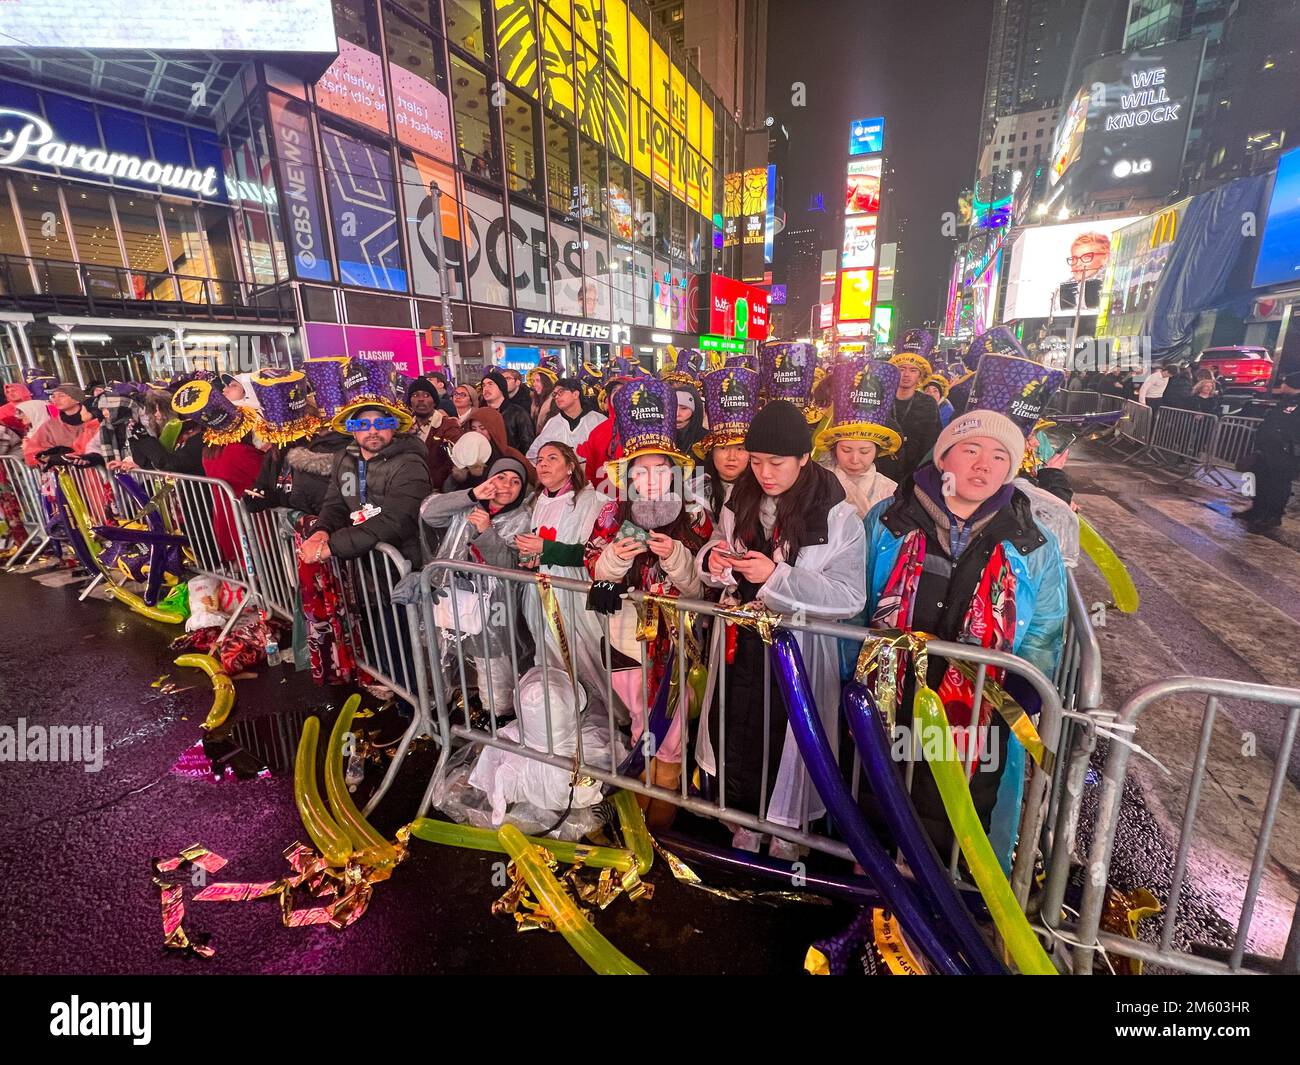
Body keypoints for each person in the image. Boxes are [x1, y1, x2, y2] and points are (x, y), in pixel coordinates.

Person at [860, 354, 1067, 858]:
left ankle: (941, 906)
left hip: (982, 714)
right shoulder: (888, 521)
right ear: (943, 457)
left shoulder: (1032, 543)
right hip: (888, 697)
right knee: (878, 795)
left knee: (957, 817)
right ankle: (874, 898)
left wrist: (1019, 697)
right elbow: (856, 605)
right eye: (970, 448)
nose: (983, 465)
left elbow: (1045, 632)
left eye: (1000, 456)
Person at [697, 400, 867, 854]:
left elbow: (850, 597)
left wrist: (775, 578)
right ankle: (745, 819)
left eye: (776, 462)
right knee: (740, 727)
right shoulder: (740, 500)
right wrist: (715, 562)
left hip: (800, 649)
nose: (764, 472)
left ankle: (790, 833)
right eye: (756, 461)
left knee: (791, 733)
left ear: (805, 458)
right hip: (743, 643)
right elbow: (721, 546)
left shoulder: (838, 517)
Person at [585, 378, 711, 823]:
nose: (651, 479)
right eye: (641, 470)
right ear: (628, 475)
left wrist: (677, 557)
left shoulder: (695, 514)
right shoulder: (611, 513)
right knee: (637, 709)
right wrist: (614, 561)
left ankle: (666, 806)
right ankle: (641, 794)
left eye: (660, 469)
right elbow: (592, 570)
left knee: (672, 718)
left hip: (675, 634)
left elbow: (702, 588)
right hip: (623, 630)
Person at [421, 456, 534, 717]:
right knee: (454, 654)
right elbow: (429, 513)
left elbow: (508, 566)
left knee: (493, 663)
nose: (507, 485)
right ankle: (458, 708)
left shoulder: (521, 520)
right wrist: (472, 494)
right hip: (459, 598)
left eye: (515, 481)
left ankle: (499, 716)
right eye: (500, 477)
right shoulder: (467, 506)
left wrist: (486, 532)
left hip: (496, 607)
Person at [300, 360, 431, 569]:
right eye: (362, 424)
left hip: (405, 567)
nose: (372, 431)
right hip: (363, 564)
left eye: (381, 423)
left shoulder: (410, 465)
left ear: (393, 427)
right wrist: (321, 531)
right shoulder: (345, 459)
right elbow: (336, 504)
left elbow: (395, 521)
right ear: (352, 430)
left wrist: (332, 547)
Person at [514, 442, 610, 704]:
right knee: (550, 652)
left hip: (577, 594)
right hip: (545, 593)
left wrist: (547, 549)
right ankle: (566, 708)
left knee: (587, 656)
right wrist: (535, 558)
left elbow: (593, 552)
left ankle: (608, 710)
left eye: (552, 458)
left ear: (570, 467)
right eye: (540, 459)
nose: (543, 464)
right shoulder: (538, 501)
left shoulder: (591, 501)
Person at [243, 370, 346, 516]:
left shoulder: (321, 447)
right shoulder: (275, 451)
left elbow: (322, 498)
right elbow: (265, 486)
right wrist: (260, 497)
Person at [816, 358, 901, 519]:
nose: (854, 459)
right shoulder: (817, 484)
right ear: (834, 448)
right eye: (846, 450)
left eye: (864, 451)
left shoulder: (890, 491)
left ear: (877, 450)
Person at [1236, 372, 1300, 534]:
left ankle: (1273, 515)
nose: (1282, 385)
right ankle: (1257, 510)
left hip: (1286, 453)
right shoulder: (1285, 402)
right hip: (1267, 450)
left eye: (1285, 382)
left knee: (1278, 485)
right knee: (1261, 480)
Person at [694, 365, 759, 524]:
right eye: (723, 448)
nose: (731, 457)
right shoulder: (695, 489)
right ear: (712, 451)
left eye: (740, 448)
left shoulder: (762, 490)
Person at [876, 332, 942, 483]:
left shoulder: (928, 404)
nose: (906, 374)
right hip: (881, 472)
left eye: (913, 370)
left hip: (914, 474)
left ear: (920, 375)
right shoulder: (881, 399)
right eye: (902, 369)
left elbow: (932, 444)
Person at [112, 388, 204, 476]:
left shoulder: (193, 433)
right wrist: (136, 438)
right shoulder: (164, 432)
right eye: (154, 410)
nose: (156, 414)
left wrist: (144, 438)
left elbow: (169, 464)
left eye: (160, 410)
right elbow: (147, 463)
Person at [444, 405, 534, 494]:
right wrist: (458, 476)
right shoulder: (466, 453)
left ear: (494, 429)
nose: (478, 433)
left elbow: (530, 487)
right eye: (473, 429)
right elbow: (447, 491)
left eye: (483, 428)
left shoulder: (511, 456)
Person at [526, 376, 606, 462]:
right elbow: (533, 455)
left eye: (561, 392)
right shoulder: (553, 423)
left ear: (575, 394)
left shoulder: (598, 420)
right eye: (554, 394)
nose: (556, 397)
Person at [23, 383, 103, 468]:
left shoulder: (95, 420)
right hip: (67, 477)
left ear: (77, 399)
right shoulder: (50, 426)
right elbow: (32, 454)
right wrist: (50, 456)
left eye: (62, 396)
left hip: (96, 474)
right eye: (53, 396)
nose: (56, 400)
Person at [406, 376, 463, 490]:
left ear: (434, 401)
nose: (421, 399)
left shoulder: (448, 426)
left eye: (426, 395)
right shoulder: (404, 429)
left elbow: (458, 460)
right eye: (415, 395)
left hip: (439, 492)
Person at [480, 369, 535, 455]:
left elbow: (528, 446)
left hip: (512, 463)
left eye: (490, 384)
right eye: (483, 385)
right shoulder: (480, 414)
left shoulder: (518, 413)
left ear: (501, 387)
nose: (486, 388)